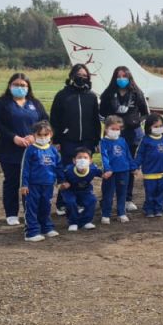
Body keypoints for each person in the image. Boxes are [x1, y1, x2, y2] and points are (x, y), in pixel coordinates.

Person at [0, 72, 48, 226]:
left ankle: (30, 212)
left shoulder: (34, 103)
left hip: (32, 149)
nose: (20, 88)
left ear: (28, 87)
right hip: (9, 149)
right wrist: (13, 137)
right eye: (16, 85)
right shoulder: (2, 103)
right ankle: (11, 214)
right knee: (12, 181)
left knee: (30, 182)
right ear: (10, 86)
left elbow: (45, 121)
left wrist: (33, 136)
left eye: (23, 85)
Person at [50, 64, 100, 215]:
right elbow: (54, 118)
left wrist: (96, 140)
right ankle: (62, 203)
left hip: (86, 141)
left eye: (85, 75)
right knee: (68, 172)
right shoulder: (62, 95)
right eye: (79, 74)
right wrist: (56, 139)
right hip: (68, 140)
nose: (82, 77)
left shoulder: (91, 96)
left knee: (83, 171)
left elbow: (95, 120)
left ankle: (80, 202)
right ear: (72, 76)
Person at [98, 66, 149, 212]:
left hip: (131, 136)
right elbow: (101, 115)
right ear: (115, 78)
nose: (121, 79)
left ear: (129, 77)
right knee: (109, 166)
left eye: (124, 76)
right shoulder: (108, 94)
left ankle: (127, 198)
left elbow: (145, 113)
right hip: (111, 138)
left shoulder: (137, 93)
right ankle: (106, 199)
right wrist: (111, 127)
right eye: (118, 76)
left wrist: (137, 122)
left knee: (128, 166)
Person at [19, 121, 61, 242]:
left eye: (45, 135)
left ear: (51, 134)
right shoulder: (30, 150)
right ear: (34, 135)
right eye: (40, 135)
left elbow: (58, 166)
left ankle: (46, 227)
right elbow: (25, 168)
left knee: (46, 206)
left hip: (48, 184)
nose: (43, 138)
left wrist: (60, 180)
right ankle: (31, 232)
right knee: (32, 208)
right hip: (33, 185)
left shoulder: (53, 150)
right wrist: (24, 184)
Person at [133, 114, 163, 218]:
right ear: (149, 127)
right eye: (155, 126)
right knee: (150, 192)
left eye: (160, 126)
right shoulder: (145, 140)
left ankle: (159, 209)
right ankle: (149, 209)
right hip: (150, 172)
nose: (158, 128)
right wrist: (135, 166)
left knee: (160, 191)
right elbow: (140, 154)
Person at [100, 115, 135, 224]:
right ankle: (106, 214)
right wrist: (108, 169)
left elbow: (128, 155)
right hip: (111, 173)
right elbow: (104, 157)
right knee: (108, 194)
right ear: (106, 129)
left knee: (122, 193)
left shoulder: (122, 140)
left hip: (124, 171)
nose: (115, 131)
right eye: (113, 129)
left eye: (117, 129)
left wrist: (132, 167)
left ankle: (121, 213)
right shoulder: (103, 142)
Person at [60, 147, 103, 232]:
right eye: (79, 157)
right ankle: (73, 222)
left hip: (85, 191)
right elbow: (60, 179)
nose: (82, 160)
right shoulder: (68, 170)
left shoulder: (93, 169)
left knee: (92, 200)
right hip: (70, 191)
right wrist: (63, 184)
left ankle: (86, 221)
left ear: (90, 160)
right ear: (74, 160)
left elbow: (102, 173)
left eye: (85, 157)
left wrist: (107, 173)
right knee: (70, 202)